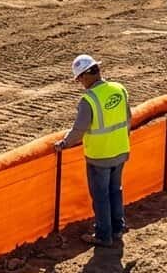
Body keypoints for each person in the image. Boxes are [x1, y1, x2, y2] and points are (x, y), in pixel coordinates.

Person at [54, 54, 130, 247]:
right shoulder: (119, 89)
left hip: (100, 156)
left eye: (79, 79)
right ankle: (118, 228)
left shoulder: (89, 100)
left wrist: (63, 144)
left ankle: (104, 235)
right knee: (115, 190)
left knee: (101, 196)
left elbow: (79, 130)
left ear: (85, 76)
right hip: (121, 150)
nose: (80, 83)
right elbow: (128, 119)